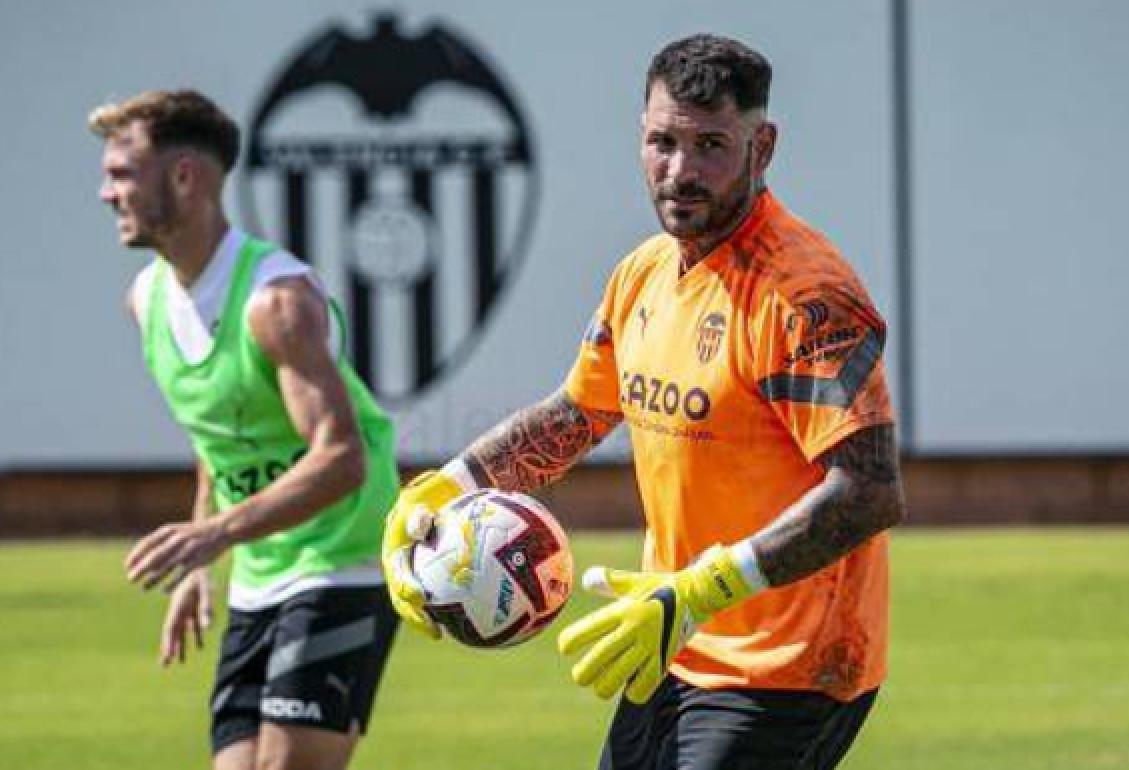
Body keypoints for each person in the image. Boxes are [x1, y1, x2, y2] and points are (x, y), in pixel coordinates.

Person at [384, 34, 904, 770]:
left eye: (711, 145)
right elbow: (576, 415)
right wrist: (449, 485)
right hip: (668, 641)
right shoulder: (644, 273)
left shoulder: (807, 297)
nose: (680, 171)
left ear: (763, 148)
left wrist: (705, 588)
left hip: (787, 664)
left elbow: (870, 492)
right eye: (663, 142)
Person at [91, 90, 400, 770]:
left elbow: (342, 458)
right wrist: (203, 562)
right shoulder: (145, 302)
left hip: (342, 560)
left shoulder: (276, 301)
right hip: (261, 572)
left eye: (121, 174)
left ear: (182, 177)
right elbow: (218, 442)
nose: (105, 193)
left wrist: (214, 533)